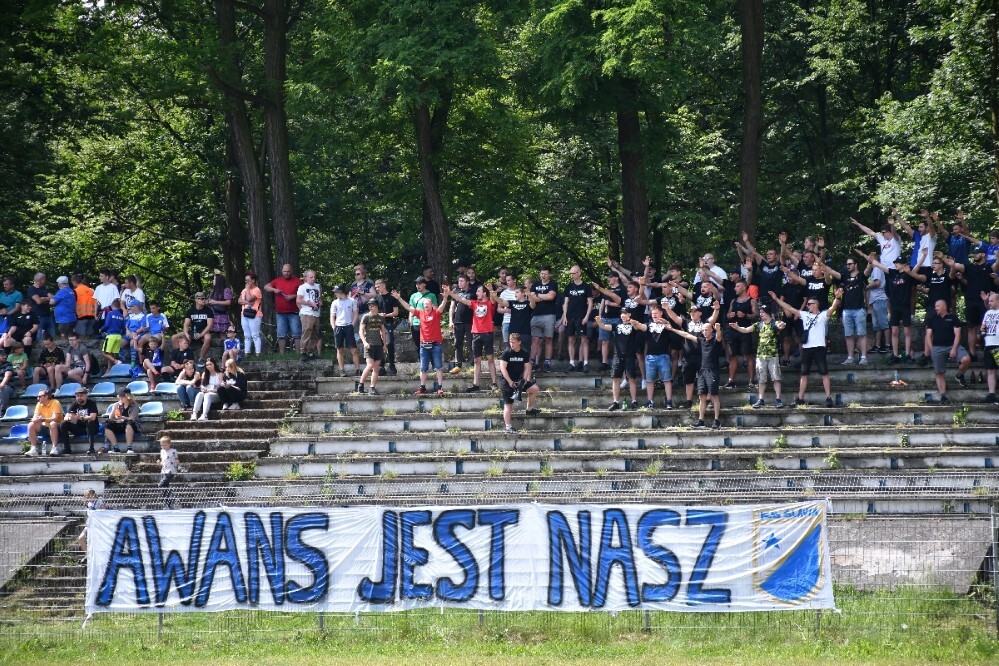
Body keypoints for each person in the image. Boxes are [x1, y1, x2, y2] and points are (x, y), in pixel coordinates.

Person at [769, 287, 844, 407]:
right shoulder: (804, 315)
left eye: (810, 304)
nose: (807, 306)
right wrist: (776, 299)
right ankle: (800, 398)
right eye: (807, 304)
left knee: (824, 372)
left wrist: (837, 297)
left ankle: (828, 397)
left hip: (819, 347)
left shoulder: (822, 315)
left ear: (816, 305)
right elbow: (789, 308)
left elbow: (832, 308)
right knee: (804, 373)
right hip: (807, 348)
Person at [393, 285, 451, 396]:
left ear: (431, 305)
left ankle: (440, 387)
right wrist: (399, 298)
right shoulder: (420, 313)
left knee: (438, 366)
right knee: (423, 368)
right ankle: (422, 387)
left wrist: (445, 297)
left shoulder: (436, 313)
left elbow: (442, 306)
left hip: (435, 344)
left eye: (427, 304)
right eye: (424, 305)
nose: (426, 306)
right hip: (424, 344)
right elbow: (408, 308)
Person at [669, 320, 724, 429]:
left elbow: (719, 337)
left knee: (714, 395)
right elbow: (687, 335)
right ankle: (701, 421)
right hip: (702, 371)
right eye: (703, 330)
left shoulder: (715, 341)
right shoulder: (701, 340)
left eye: (706, 330)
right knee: (701, 396)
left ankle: (717, 420)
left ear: (711, 330)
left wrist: (718, 330)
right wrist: (673, 329)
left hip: (712, 371)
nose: (704, 332)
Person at [731, 305, 785, 408]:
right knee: (761, 379)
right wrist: (737, 328)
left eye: (763, 312)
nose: (761, 314)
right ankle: (761, 399)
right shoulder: (758, 324)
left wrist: (782, 325)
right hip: (761, 356)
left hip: (773, 355)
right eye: (760, 312)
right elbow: (746, 330)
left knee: (776, 378)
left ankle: (778, 399)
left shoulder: (774, 323)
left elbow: (781, 325)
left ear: (768, 313)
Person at [450, 283, 500, 392]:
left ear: (484, 293)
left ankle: (494, 383)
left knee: (490, 359)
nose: (476, 293)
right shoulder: (474, 303)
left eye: (479, 291)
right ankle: (476, 384)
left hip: (487, 333)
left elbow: (494, 299)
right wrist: (449, 293)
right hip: (476, 333)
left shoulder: (489, 303)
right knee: (477, 360)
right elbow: (461, 299)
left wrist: (491, 291)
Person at [594, 310, 647, 411]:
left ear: (629, 314)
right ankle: (615, 402)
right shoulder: (616, 325)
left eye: (625, 313)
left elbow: (639, 326)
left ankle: (634, 401)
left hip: (629, 355)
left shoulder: (633, 325)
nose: (623, 315)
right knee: (616, 378)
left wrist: (631, 321)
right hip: (617, 355)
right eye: (622, 313)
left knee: (631, 379)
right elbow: (604, 326)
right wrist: (599, 322)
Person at [824, 257, 869, 364]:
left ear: (855, 264)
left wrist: (870, 261)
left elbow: (869, 269)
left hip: (859, 309)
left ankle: (863, 358)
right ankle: (850, 358)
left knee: (862, 334)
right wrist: (822, 264)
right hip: (846, 310)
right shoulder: (844, 276)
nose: (847, 266)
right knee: (848, 335)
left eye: (850, 264)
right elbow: (832, 271)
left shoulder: (861, 275)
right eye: (847, 264)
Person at [926, 299, 971, 403]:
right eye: (935, 306)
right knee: (939, 372)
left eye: (937, 306)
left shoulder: (953, 318)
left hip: (952, 345)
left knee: (966, 359)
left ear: (944, 307)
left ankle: (959, 375)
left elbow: (958, 335)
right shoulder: (932, 319)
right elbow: (928, 335)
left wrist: (954, 348)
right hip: (937, 347)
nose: (935, 308)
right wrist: (932, 349)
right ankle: (943, 396)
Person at [498, 333, 540, 432]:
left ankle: (529, 409)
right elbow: (503, 369)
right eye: (510, 342)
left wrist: (524, 380)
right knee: (508, 404)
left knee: (535, 389)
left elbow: (527, 367)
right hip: (506, 381)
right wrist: (510, 382)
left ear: (519, 342)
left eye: (513, 342)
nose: (511, 344)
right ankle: (508, 427)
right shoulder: (506, 353)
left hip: (518, 380)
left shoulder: (524, 353)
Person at [264, 264, 303, 354]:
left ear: (291, 271)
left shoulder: (297, 281)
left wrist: (293, 296)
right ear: (282, 271)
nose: (286, 273)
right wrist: (274, 290)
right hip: (280, 313)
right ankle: (282, 354)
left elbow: (304, 294)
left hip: (294, 312)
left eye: (288, 271)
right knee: (281, 334)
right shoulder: (277, 280)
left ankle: (298, 353)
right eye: (285, 271)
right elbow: (266, 287)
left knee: (296, 333)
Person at [561, 266, 593, 372]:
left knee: (584, 339)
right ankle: (571, 363)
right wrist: (565, 316)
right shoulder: (568, 287)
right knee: (570, 339)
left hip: (581, 316)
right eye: (571, 273)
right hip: (570, 317)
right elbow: (565, 303)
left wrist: (587, 316)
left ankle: (585, 363)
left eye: (574, 273)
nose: (572, 275)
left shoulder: (586, 286)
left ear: (579, 273)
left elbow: (590, 303)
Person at [591, 272, 626, 371]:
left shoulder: (622, 289)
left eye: (610, 277)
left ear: (616, 278)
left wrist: (611, 304)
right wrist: (600, 316)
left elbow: (623, 304)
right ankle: (604, 363)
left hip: (616, 317)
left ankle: (617, 362)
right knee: (604, 341)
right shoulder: (607, 290)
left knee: (618, 341)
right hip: (605, 318)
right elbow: (602, 303)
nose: (608, 279)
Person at [643, 303, 674, 409]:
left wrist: (667, 324)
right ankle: (650, 401)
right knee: (649, 380)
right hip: (650, 357)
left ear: (661, 313)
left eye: (656, 313)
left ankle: (669, 401)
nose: (654, 315)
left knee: (667, 380)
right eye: (652, 313)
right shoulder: (648, 325)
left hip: (664, 356)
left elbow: (672, 335)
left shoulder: (666, 325)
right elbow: (641, 330)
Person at [528, 267, 559, 372]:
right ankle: (532, 362)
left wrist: (538, 295)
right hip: (536, 315)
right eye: (542, 273)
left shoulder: (553, 284)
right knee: (535, 339)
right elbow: (532, 298)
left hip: (549, 315)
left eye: (545, 274)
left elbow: (551, 297)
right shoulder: (535, 284)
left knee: (548, 339)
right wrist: (542, 296)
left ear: (549, 274)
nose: (543, 275)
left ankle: (547, 363)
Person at [356, 300, 388, 394]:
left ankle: (372, 387)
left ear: (377, 306)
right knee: (369, 365)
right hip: (369, 344)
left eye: (372, 305)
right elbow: (361, 331)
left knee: (376, 367)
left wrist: (384, 344)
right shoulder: (366, 316)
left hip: (378, 344)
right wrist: (364, 342)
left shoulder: (381, 318)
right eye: (369, 306)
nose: (370, 307)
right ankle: (361, 384)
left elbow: (383, 331)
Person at [330, 284, 360, 374]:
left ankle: (357, 369)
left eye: (336, 292)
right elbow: (332, 316)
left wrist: (352, 325)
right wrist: (334, 327)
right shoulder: (335, 302)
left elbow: (356, 314)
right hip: (338, 326)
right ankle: (341, 370)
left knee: (353, 349)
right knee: (340, 349)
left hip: (348, 326)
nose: (335, 294)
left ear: (341, 292)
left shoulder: (352, 301)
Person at [448, 274, 474, 376]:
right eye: (459, 281)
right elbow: (452, 307)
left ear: (467, 282)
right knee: (458, 343)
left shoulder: (472, 293)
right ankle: (458, 365)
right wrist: (451, 320)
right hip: (458, 321)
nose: (460, 283)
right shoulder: (456, 292)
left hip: (470, 322)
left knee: (471, 343)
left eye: (462, 281)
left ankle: (472, 365)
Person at [60, 386, 99, 455]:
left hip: (92, 429)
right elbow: (65, 417)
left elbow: (93, 417)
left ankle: (91, 448)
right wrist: (70, 418)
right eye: (77, 396)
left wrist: (80, 418)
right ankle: (67, 448)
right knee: (63, 424)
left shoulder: (91, 403)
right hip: (79, 428)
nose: (79, 398)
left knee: (90, 422)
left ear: (86, 396)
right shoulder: (74, 404)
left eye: (81, 396)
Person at [373, 279, 400, 375]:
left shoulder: (392, 297)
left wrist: (386, 315)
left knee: (390, 343)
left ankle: (392, 365)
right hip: (378, 324)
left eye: (378, 286)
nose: (377, 288)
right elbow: (373, 311)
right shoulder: (376, 298)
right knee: (379, 345)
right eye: (376, 287)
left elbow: (396, 312)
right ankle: (381, 366)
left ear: (384, 286)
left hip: (388, 323)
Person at [25, 388, 62, 457]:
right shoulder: (39, 404)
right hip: (45, 427)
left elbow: (55, 418)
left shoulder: (55, 402)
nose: (37, 398)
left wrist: (43, 419)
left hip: (57, 428)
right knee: (31, 425)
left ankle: (54, 448)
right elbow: (35, 418)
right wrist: (36, 419)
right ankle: (33, 449)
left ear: (46, 397)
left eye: (39, 396)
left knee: (52, 423)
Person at [103, 388, 139, 454]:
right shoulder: (118, 405)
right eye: (120, 396)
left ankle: (129, 448)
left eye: (123, 396)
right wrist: (114, 408)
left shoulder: (134, 405)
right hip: (120, 424)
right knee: (107, 424)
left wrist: (123, 417)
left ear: (128, 396)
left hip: (131, 425)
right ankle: (116, 448)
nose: (121, 398)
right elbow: (111, 418)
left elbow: (133, 418)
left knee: (129, 423)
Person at [297, 270, 322, 361]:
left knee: (315, 332)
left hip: (316, 313)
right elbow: (298, 300)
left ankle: (311, 352)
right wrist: (310, 303)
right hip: (306, 313)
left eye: (314, 277)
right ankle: (303, 351)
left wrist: (320, 302)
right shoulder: (302, 287)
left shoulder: (318, 286)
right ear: (306, 278)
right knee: (307, 330)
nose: (313, 279)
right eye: (311, 277)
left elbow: (319, 298)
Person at [183, 292, 215, 364]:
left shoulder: (208, 310)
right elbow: (186, 324)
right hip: (193, 331)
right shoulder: (190, 311)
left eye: (204, 298)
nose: (204, 300)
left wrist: (201, 334)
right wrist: (186, 334)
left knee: (208, 338)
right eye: (201, 299)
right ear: (196, 300)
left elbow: (210, 325)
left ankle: (200, 358)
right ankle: (180, 357)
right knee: (175, 337)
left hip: (204, 331)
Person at [406, 277, 438, 347]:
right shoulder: (413, 296)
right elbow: (411, 310)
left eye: (419, 284)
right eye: (416, 284)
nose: (417, 286)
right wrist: (411, 323)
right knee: (418, 345)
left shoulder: (432, 295)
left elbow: (436, 310)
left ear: (424, 284)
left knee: (428, 345)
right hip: (416, 323)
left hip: (428, 323)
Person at [238, 272, 264, 357]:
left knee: (255, 334)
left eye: (248, 280)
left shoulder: (257, 290)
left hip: (255, 314)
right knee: (246, 335)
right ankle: (247, 353)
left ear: (253, 280)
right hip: (244, 314)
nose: (246, 282)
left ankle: (258, 353)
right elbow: (239, 301)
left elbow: (249, 298)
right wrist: (247, 302)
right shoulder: (244, 290)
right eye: (245, 280)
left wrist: (247, 289)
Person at [981, 291, 999, 405]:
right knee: (990, 370)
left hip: (998, 345)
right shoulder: (987, 313)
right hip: (989, 344)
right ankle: (991, 394)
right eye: (989, 301)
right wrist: (982, 330)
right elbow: (983, 327)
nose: (989, 303)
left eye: (991, 301)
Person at [99, 297, 126, 367]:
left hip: (111, 335)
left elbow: (107, 325)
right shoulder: (121, 316)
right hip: (118, 336)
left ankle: (116, 361)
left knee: (104, 353)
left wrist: (101, 329)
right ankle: (109, 369)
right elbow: (123, 328)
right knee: (111, 353)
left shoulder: (110, 314)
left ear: (112, 305)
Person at [27, 273, 54, 341]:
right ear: (40, 280)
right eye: (44, 279)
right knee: (40, 337)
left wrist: (43, 298)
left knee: (51, 337)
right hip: (38, 316)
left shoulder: (44, 288)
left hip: (48, 315)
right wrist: (46, 299)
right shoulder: (31, 289)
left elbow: (53, 298)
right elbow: (38, 301)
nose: (45, 280)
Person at [207, 271, 233, 336]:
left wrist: (215, 302)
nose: (213, 281)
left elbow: (228, 302)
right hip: (212, 315)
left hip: (221, 316)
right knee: (211, 335)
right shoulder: (213, 290)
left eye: (214, 279)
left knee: (222, 334)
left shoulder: (226, 290)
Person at [158, 435, 179, 508]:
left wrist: (175, 462)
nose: (163, 447)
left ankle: (172, 496)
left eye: (165, 445)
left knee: (161, 485)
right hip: (164, 471)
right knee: (164, 487)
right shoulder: (162, 451)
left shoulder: (173, 451)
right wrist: (159, 463)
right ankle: (169, 504)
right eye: (162, 445)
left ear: (169, 444)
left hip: (170, 471)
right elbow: (163, 462)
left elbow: (177, 461)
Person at [0, 348, 16, 416]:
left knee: (4, 388)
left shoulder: (8, 364)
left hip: (8, 387)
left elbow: (8, 375)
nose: (5, 356)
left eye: (5, 355)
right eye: (2, 355)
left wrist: (2, 384)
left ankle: (2, 411)